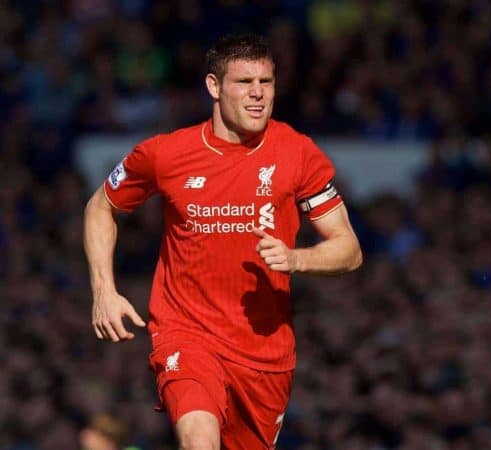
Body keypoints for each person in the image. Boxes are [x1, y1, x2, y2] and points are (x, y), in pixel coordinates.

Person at [83, 33, 362, 450]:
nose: (257, 95)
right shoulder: (166, 154)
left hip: (264, 354)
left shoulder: (297, 153)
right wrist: (104, 289)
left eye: (266, 83)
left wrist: (296, 258)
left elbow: (349, 249)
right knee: (199, 438)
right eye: (243, 83)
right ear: (213, 87)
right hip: (186, 332)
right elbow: (101, 206)